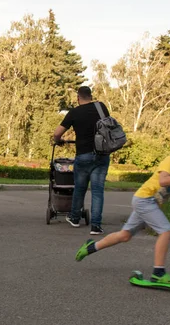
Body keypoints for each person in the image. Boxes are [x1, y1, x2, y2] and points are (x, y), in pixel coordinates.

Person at [74, 129, 170, 285]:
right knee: (166, 231)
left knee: (125, 235)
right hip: (145, 199)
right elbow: (164, 181)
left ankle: (91, 247)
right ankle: (158, 273)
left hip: (152, 203)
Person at [53, 86, 111, 235]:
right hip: (102, 154)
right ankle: (96, 226)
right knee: (98, 191)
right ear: (91, 96)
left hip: (83, 155)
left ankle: (75, 218)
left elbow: (57, 133)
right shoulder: (101, 107)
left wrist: (58, 141)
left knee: (80, 188)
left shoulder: (74, 112)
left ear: (78, 98)